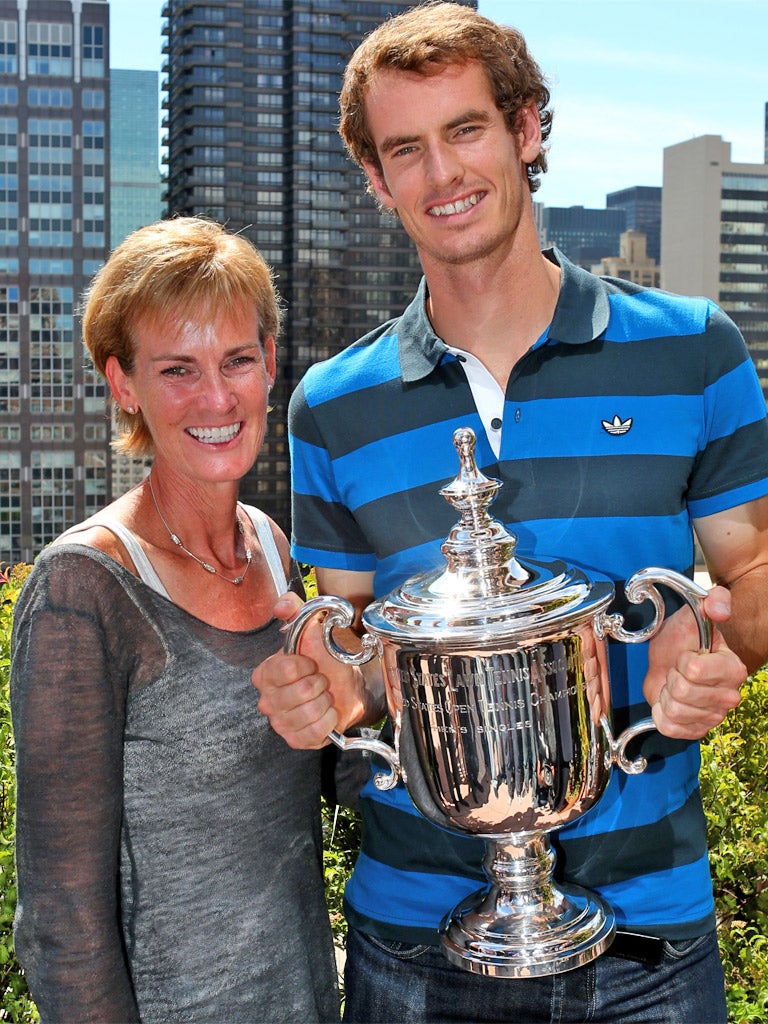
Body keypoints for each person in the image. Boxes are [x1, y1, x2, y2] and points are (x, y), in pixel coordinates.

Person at [253, 4, 768, 1023]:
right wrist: (328, 694)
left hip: (650, 929)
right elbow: (349, 632)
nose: (442, 175)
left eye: (467, 130)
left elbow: (752, 577)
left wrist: (715, 643)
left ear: (527, 130)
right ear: (376, 179)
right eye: (407, 149)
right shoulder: (331, 403)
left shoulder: (694, 350)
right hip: (411, 935)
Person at [10, 217, 340, 1024]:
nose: (217, 398)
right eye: (177, 370)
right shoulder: (81, 591)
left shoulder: (270, 545)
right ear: (124, 384)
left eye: (236, 361)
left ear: (269, 364)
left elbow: (322, 784)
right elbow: (60, 918)